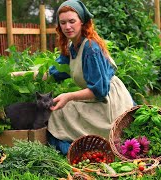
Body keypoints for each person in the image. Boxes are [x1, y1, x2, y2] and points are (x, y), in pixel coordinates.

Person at [12, 0, 134, 155]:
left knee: (57, 114)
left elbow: (100, 90)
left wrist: (69, 96)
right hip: (95, 97)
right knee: (57, 112)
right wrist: (19, 75)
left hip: (109, 102)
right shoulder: (72, 47)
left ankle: (74, 152)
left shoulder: (90, 48)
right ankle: (77, 149)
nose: (67, 27)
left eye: (72, 21)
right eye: (63, 23)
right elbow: (50, 74)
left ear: (81, 22)